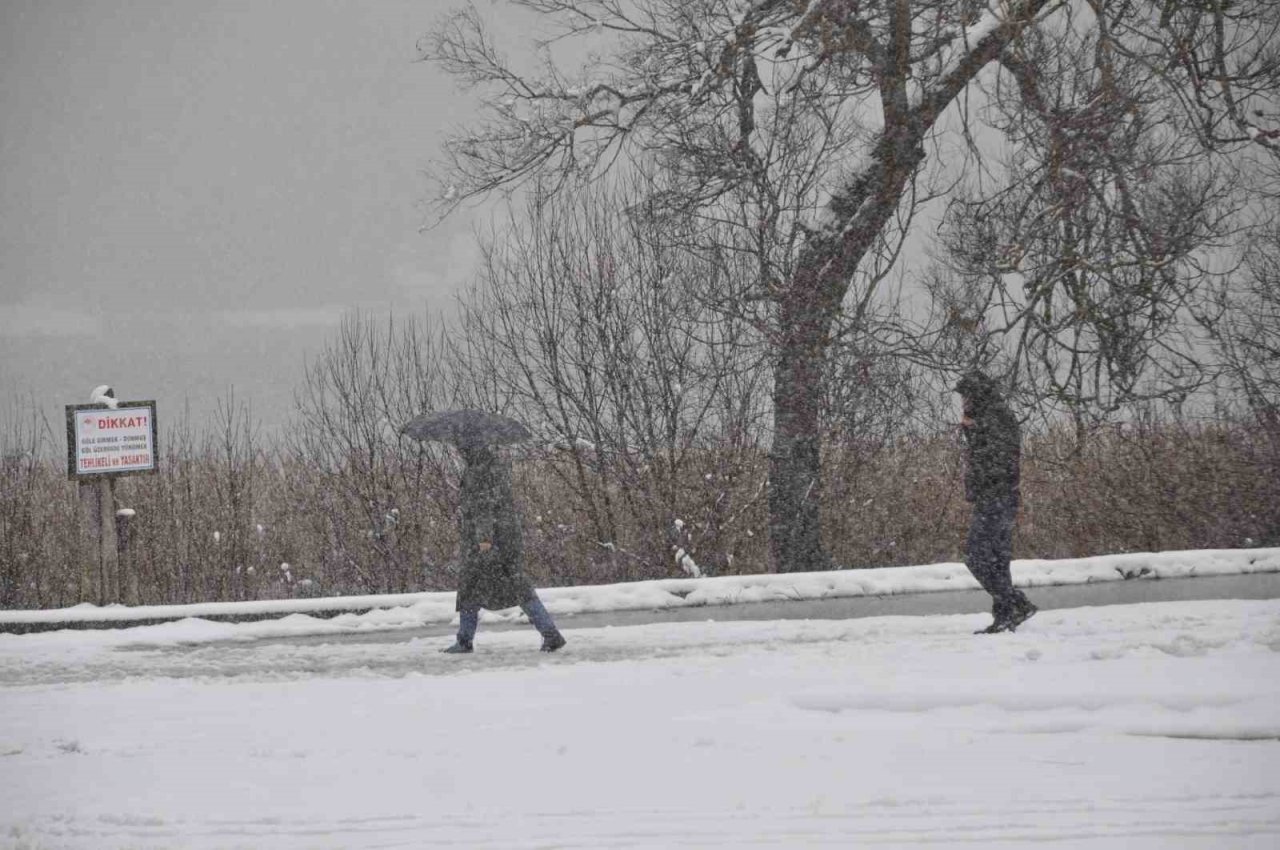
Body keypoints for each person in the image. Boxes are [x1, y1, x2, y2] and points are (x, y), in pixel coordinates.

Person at [441, 439, 567, 653]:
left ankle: (464, 641)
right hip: (507, 537)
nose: (458, 451)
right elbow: (499, 503)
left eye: (460, 447)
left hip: (489, 540)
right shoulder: (495, 466)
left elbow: (483, 507)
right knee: (512, 586)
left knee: (474, 587)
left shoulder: (477, 471)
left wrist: (484, 539)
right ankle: (550, 633)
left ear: (467, 449)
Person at [956, 371, 1037, 634]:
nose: (963, 402)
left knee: (976, 557)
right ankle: (1004, 616)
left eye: (966, 396)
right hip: (999, 497)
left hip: (997, 497)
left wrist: (973, 431)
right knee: (996, 561)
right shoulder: (991, 416)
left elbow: (996, 459)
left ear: (976, 395)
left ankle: (1016, 603)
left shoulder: (995, 417)